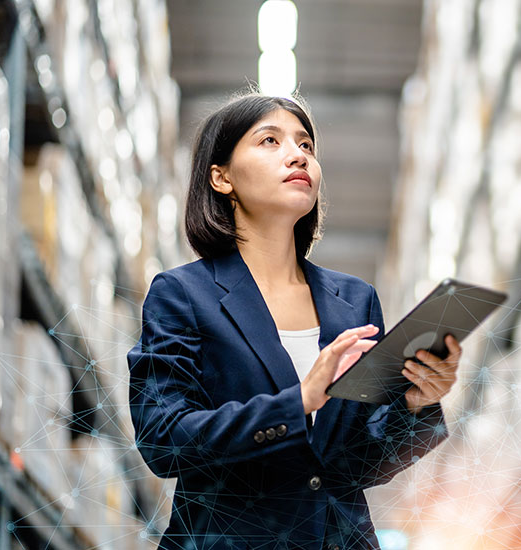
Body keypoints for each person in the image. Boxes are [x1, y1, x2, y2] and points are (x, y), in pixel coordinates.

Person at [127, 93, 460, 550]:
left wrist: (418, 403)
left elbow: (359, 464)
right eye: (270, 140)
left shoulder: (355, 301)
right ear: (221, 178)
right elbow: (163, 440)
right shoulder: (184, 295)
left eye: (306, 144)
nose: (297, 154)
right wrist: (298, 401)